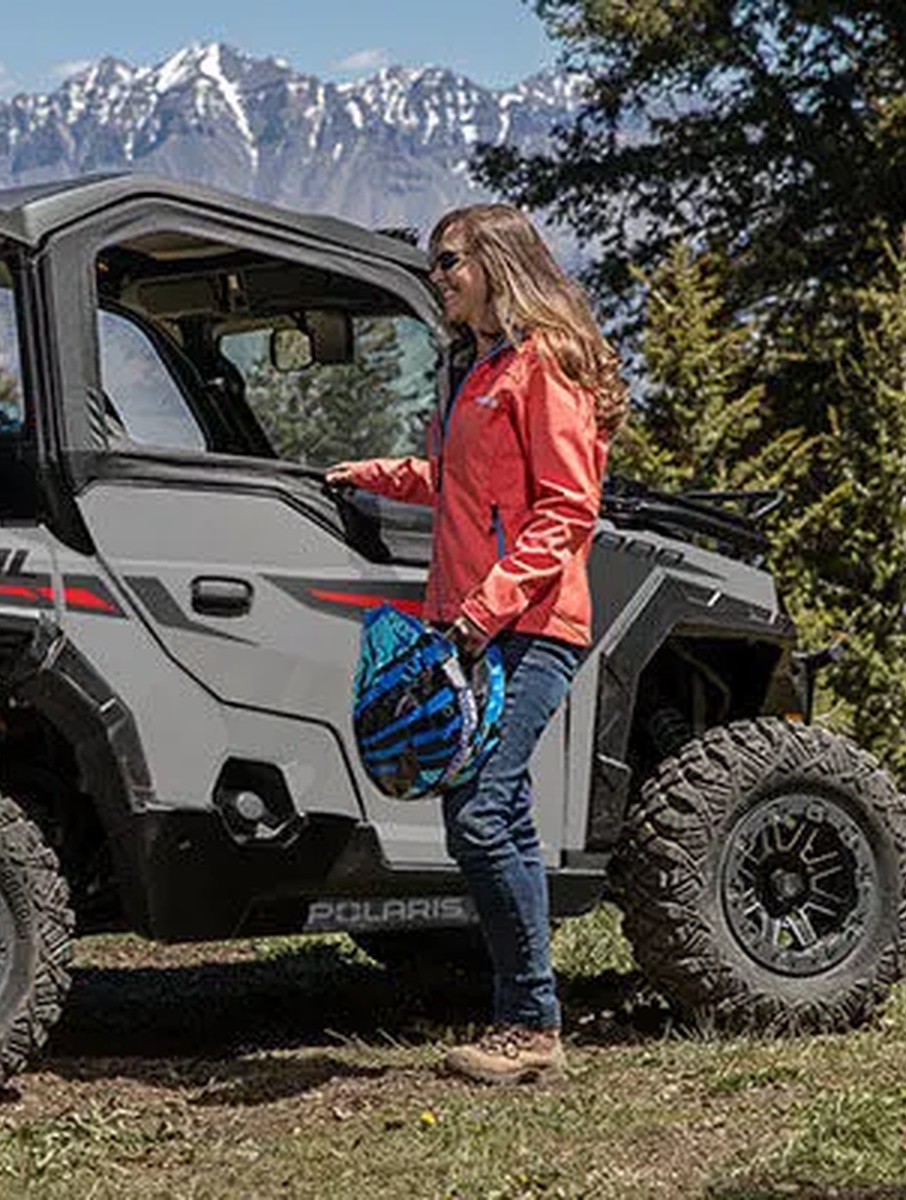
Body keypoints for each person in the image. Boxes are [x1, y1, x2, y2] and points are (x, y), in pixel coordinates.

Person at [327, 204, 627, 1085]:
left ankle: (530, 1024)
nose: (438, 277)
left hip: (529, 624)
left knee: (483, 815)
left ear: (498, 263)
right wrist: (373, 476)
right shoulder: (482, 368)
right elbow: (461, 482)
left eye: (450, 260)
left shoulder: (545, 364)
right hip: (474, 623)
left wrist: (482, 611)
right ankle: (528, 1019)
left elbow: (566, 512)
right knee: (494, 815)